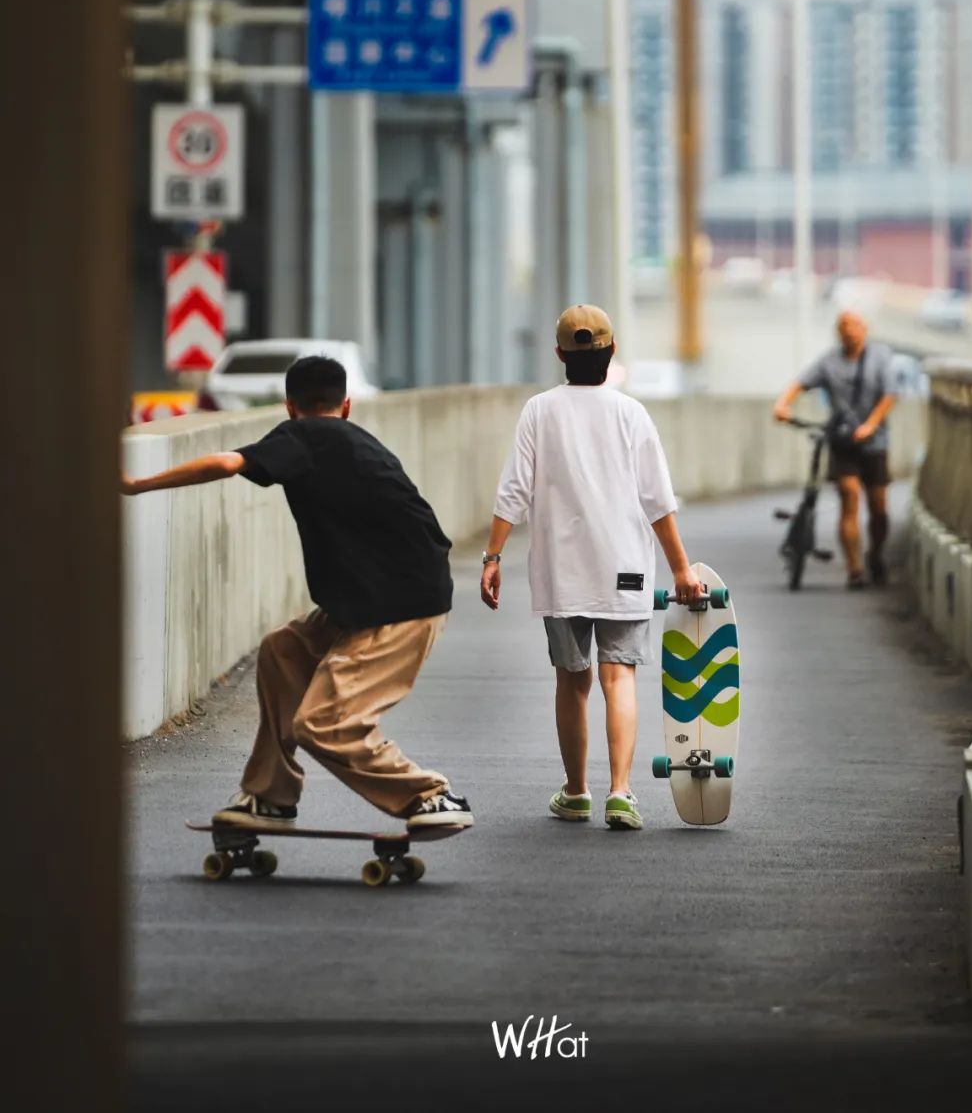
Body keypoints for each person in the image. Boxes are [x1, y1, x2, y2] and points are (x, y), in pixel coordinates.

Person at [120, 355, 472, 832]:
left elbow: (226, 462)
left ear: (289, 407)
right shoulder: (360, 443)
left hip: (398, 609)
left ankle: (431, 796)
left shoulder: (300, 437)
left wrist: (137, 485)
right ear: (346, 406)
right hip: (378, 597)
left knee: (325, 721)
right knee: (283, 651)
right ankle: (270, 795)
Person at [481, 304, 702, 832]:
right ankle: (620, 793)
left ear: (559, 355)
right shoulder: (631, 414)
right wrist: (681, 570)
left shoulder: (538, 410)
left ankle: (577, 792)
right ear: (612, 352)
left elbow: (513, 488)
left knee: (571, 680)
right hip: (624, 565)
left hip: (562, 570)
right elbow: (658, 501)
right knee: (618, 675)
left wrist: (493, 557)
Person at [773, 310, 898, 589]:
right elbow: (800, 383)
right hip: (842, 441)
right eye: (844, 326)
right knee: (849, 496)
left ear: (865, 329)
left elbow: (890, 395)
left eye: (854, 325)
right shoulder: (829, 362)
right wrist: (782, 405)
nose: (849, 331)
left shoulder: (880, 357)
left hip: (874, 441)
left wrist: (870, 425)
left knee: (878, 509)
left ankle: (875, 554)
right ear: (837, 331)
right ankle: (855, 569)